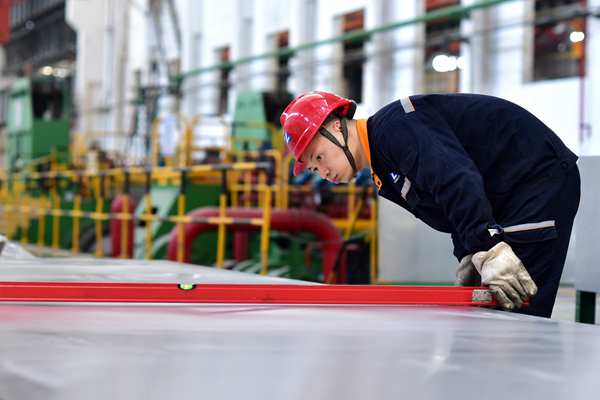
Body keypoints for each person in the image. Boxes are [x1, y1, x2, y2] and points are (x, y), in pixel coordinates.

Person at [280, 91, 580, 318]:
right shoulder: (383, 166)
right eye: (314, 168)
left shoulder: (394, 129)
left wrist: (486, 247)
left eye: (319, 157)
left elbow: (456, 180)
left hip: (535, 180)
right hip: (507, 195)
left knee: (515, 312)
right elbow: (448, 204)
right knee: (490, 316)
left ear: (336, 128)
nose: (323, 172)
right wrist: (468, 251)